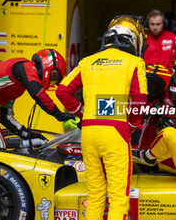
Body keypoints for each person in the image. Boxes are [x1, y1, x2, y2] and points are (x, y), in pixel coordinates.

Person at [56, 15, 147, 220]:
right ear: (133, 40)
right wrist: (133, 124)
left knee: (95, 195)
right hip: (116, 134)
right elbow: (139, 98)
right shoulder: (135, 62)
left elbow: (62, 91)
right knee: (118, 198)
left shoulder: (87, 62)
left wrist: (82, 112)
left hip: (88, 133)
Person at [0, 49, 75, 148]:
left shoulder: (16, 85)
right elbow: (38, 93)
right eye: (53, 79)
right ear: (48, 67)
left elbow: (6, 118)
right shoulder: (26, 66)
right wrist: (61, 116)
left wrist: (28, 134)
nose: (50, 84)